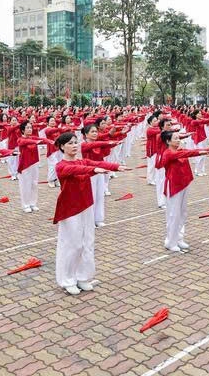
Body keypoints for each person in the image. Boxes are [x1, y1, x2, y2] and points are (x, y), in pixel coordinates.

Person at [53, 132, 128, 295]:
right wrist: (94, 169)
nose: (74, 145)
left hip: (86, 205)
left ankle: (83, 277)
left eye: (75, 142)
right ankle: (68, 279)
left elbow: (95, 163)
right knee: (73, 244)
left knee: (87, 242)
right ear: (62, 146)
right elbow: (76, 170)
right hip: (70, 209)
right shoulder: (61, 166)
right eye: (70, 143)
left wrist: (115, 167)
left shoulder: (82, 160)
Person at [157, 130, 209, 252]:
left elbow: (186, 153)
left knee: (182, 213)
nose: (178, 140)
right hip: (174, 186)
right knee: (174, 214)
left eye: (179, 138)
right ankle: (170, 241)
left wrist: (205, 151)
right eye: (175, 138)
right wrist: (204, 151)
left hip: (183, 184)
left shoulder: (179, 151)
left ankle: (179, 239)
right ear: (168, 141)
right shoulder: (168, 153)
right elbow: (188, 153)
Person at [80, 124, 120, 228]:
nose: (95, 133)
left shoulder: (98, 144)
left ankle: (98, 219)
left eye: (96, 132)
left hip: (100, 171)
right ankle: (89, 221)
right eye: (92, 132)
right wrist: (110, 142)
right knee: (91, 196)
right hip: (89, 173)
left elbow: (106, 146)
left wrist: (115, 141)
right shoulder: (84, 145)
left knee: (99, 196)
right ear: (86, 134)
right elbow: (97, 144)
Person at [17, 121, 51, 213]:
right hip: (25, 165)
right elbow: (26, 141)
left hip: (34, 163)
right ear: (23, 130)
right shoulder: (20, 139)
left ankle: (33, 203)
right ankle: (25, 205)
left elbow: (42, 139)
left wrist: (51, 141)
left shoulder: (34, 138)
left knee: (34, 184)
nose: (29, 129)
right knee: (25, 185)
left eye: (30, 128)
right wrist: (36, 141)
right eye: (27, 128)